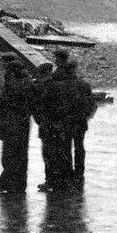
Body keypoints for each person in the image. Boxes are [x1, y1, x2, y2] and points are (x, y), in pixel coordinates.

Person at [54, 55, 97, 186]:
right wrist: (87, 116)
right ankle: (79, 172)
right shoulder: (84, 84)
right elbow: (92, 104)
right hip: (80, 121)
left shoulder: (60, 86)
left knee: (66, 147)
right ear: (74, 70)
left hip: (66, 121)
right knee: (79, 146)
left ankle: (68, 173)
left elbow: (57, 106)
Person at [0, 56, 33, 196]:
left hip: (11, 124)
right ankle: (19, 186)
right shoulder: (27, 84)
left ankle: (6, 185)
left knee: (9, 156)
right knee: (21, 156)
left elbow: (4, 105)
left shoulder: (12, 85)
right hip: (22, 124)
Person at [35, 49, 70, 192]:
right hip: (61, 125)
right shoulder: (61, 84)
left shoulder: (44, 87)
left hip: (48, 126)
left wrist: (40, 121)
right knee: (61, 153)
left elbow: (39, 108)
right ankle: (62, 181)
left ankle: (51, 181)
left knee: (49, 155)